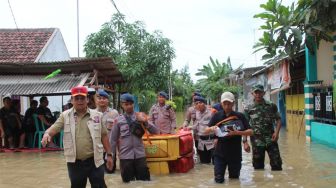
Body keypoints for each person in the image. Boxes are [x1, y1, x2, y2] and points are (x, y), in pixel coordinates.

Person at [41, 86, 113, 188]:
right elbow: (53, 128)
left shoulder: (97, 115)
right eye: (77, 98)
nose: (80, 101)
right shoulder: (65, 116)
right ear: (72, 100)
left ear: (87, 99)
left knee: (99, 186)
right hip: (75, 162)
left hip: (95, 160)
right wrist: (46, 134)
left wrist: (109, 155)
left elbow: (104, 136)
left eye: (82, 98)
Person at [110, 93, 159, 183]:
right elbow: (113, 140)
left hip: (140, 156)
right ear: (122, 105)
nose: (129, 106)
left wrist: (145, 122)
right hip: (125, 158)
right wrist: (111, 157)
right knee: (127, 183)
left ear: (134, 104)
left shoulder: (141, 116)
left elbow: (156, 131)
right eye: (126, 104)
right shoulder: (118, 120)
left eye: (131, 104)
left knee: (145, 182)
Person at [205, 92, 253, 183]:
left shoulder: (240, 116)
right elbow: (205, 130)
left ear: (233, 103)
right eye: (224, 103)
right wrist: (211, 128)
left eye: (229, 103)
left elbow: (251, 132)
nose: (227, 106)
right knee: (218, 180)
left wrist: (237, 132)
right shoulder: (217, 116)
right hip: (220, 153)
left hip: (235, 153)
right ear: (221, 103)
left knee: (234, 180)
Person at [244, 84, 282, 171]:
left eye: (260, 92)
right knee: (258, 168)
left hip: (271, 139)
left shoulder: (271, 105)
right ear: (252, 93)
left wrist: (277, 133)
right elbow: (245, 126)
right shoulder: (248, 108)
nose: (258, 94)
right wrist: (245, 142)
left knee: (277, 166)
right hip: (256, 142)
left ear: (263, 93)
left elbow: (279, 119)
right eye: (256, 92)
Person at [95, 89, 119, 173]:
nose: (102, 100)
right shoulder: (92, 114)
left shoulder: (114, 113)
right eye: (99, 98)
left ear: (108, 100)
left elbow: (118, 132)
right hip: (96, 149)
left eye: (104, 98)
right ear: (96, 100)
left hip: (110, 148)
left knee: (110, 172)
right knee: (97, 173)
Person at [193, 96, 215, 164]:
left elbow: (217, 124)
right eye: (196, 103)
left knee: (215, 163)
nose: (198, 105)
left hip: (212, 142)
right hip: (201, 143)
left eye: (200, 102)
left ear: (204, 103)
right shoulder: (197, 113)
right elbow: (197, 125)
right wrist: (189, 128)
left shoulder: (212, 112)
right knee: (204, 164)